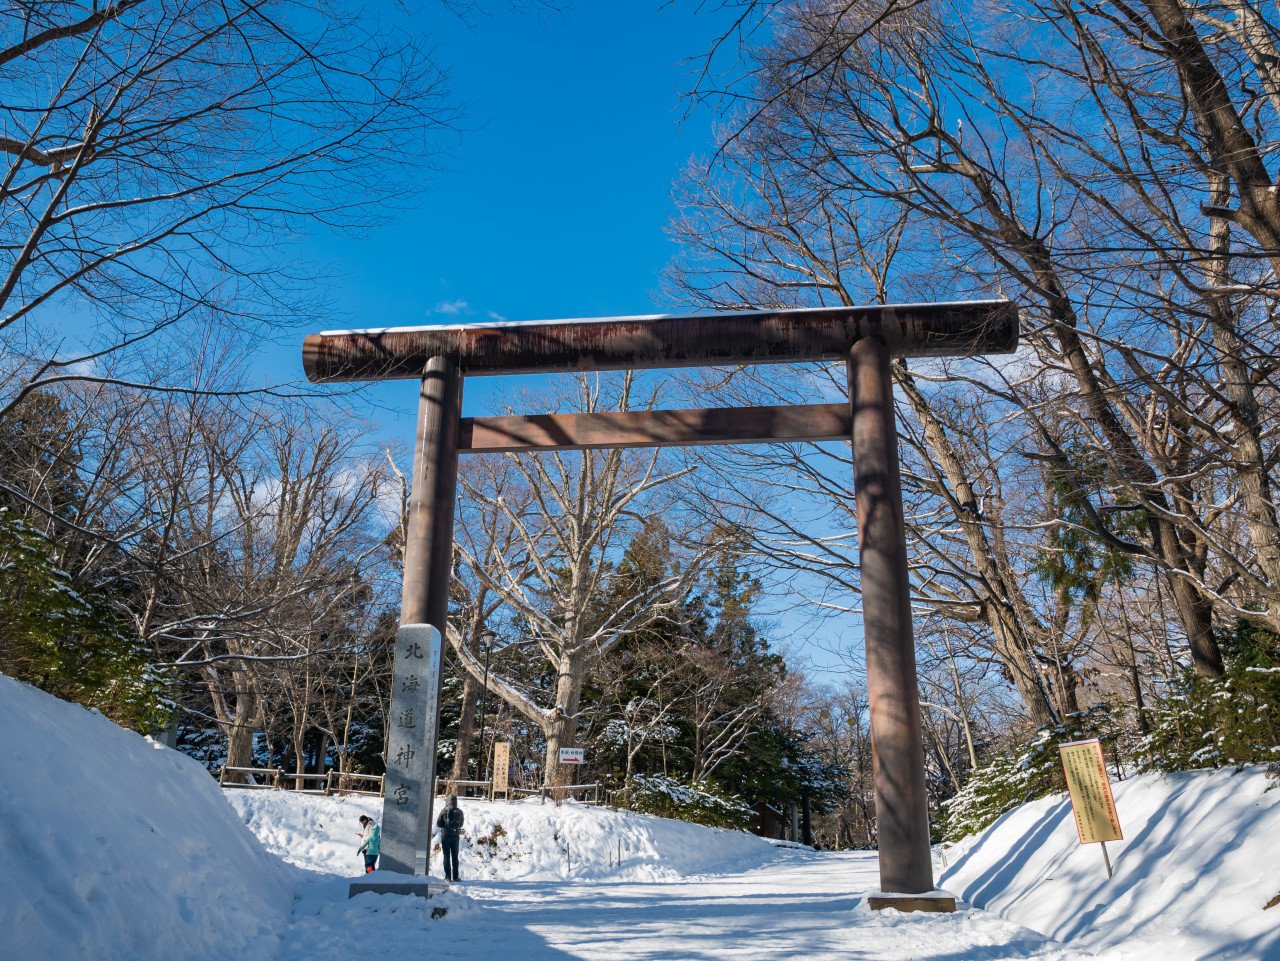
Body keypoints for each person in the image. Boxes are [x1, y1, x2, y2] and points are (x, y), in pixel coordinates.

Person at [435, 795, 464, 882]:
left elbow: (438, 824)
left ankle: (448, 877)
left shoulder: (444, 810)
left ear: (447, 801)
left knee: (446, 856)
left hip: (446, 836)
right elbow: (461, 824)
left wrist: (445, 825)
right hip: (455, 837)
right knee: (455, 857)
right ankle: (456, 877)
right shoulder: (459, 811)